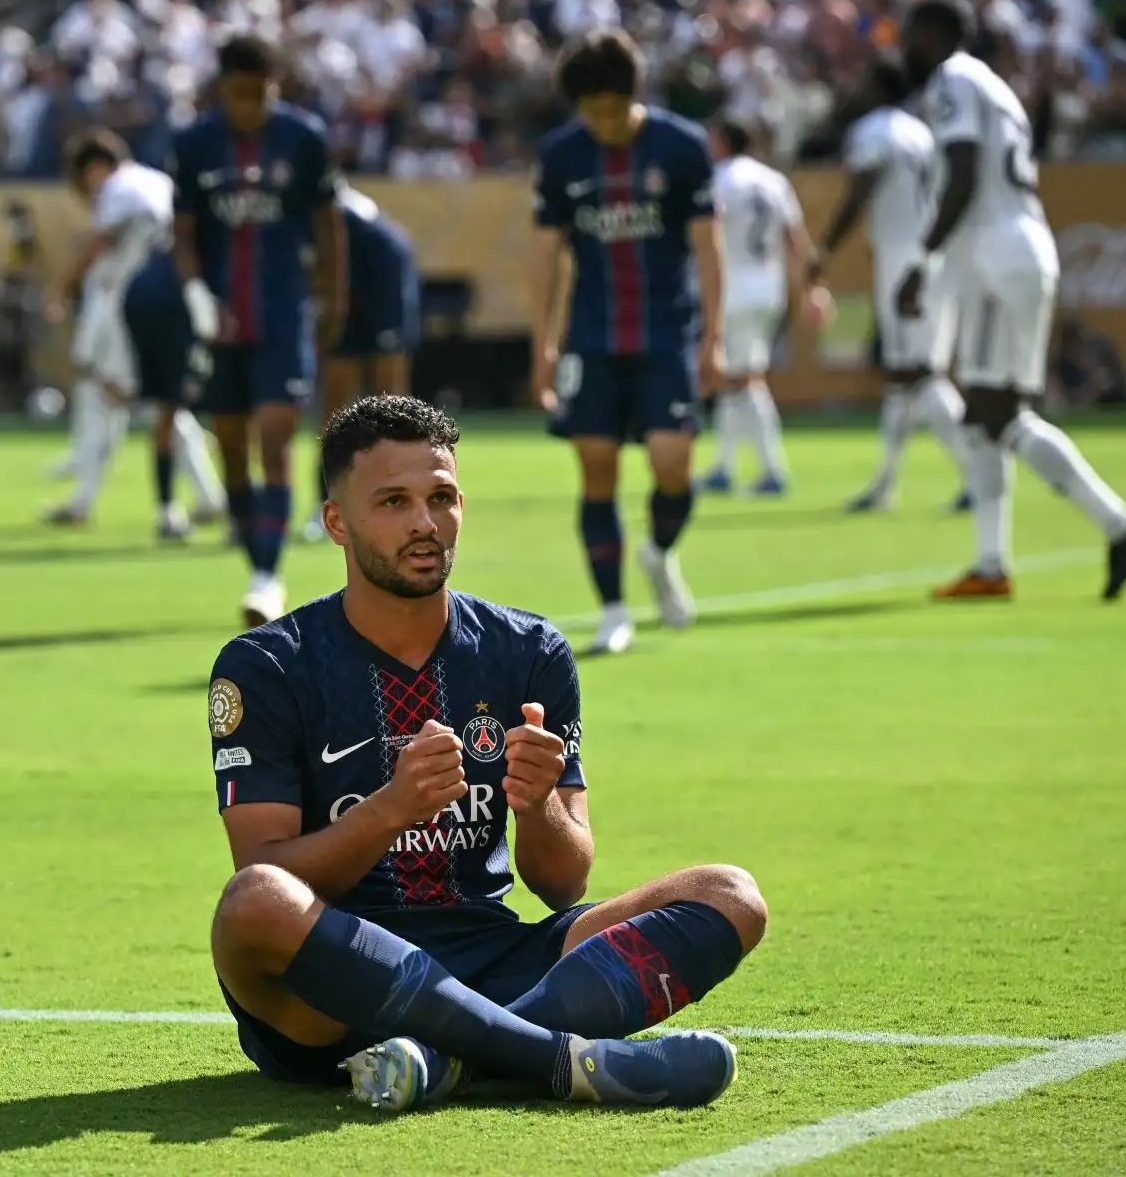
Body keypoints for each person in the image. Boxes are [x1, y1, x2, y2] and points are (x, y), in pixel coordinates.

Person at [206, 395, 765, 1113]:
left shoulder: (528, 652)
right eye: (394, 502)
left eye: (441, 498)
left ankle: (445, 1064)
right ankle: (551, 1059)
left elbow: (563, 882)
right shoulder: (265, 666)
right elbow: (262, 870)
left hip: (496, 960)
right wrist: (390, 809)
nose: (424, 522)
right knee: (255, 901)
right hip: (332, 992)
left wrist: (538, 807)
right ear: (337, 522)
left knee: (730, 897)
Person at [899, 0, 1126, 601]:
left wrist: (923, 262)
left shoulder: (953, 79)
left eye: (911, 34)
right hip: (1014, 250)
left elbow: (963, 174)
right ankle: (991, 566)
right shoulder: (993, 86)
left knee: (999, 414)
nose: (905, 48)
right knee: (983, 418)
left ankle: (1119, 525)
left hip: (997, 257)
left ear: (936, 33)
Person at [530, 28, 722, 655]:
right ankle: (614, 611)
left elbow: (708, 247)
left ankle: (659, 551)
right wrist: (543, 345)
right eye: (593, 112)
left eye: (614, 109)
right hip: (592, 337)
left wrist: (713, 337)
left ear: (635, 95)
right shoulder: (562, 156)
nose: (606, 124)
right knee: (596, 470)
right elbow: (547, 257)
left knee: (672, 464)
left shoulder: (682, 146)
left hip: (667, 332)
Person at [172, 33, 347, 627]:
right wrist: (196, 296)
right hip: (219, 321)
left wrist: (333, 296)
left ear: (276, 87)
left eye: (259, 94)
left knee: (275, 436)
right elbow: (184, 233)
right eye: (238, 94)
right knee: (230, 445)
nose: (249, 106)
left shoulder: (303, 138)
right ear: (221, 90)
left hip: (283, 313)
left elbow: (329, 224)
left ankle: (268, 576)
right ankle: (257, 559)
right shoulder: (194, 145)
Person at [811, 58, 973, 515]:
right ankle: (885, 483)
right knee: (903, 377)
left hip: (904, 259)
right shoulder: (921, 132)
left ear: (879, 87)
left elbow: (859, 192)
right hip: (931, 253)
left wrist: (825, 250)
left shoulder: (875, 130)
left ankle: (978, 472)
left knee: (918, 373)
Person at [45, 129, 226, 536]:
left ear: (96, 168)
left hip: (129, 308)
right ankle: (208, 495)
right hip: (173, 303)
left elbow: (98, 242)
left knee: (105, 394)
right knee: (166, 402)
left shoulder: (121, 186)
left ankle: (85, 501)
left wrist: (61, 289)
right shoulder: (157, 181)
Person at [704, 116, 827, 499]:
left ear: (722, 141)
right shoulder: (774, 181)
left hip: (732, 288)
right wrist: (810, 289)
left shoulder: (719, 180)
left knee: (744, 379)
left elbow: (705, 235)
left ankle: (773, 469)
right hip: (769, 289)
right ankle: (723, 468)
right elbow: (797, 239)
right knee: (733, 376)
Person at [301, 184, 421, 544]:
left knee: (390, 403)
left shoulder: (311, 190)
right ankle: (325, 505)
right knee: (335, 405)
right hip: (344, 286)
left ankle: (402, 501)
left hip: (383, 278)